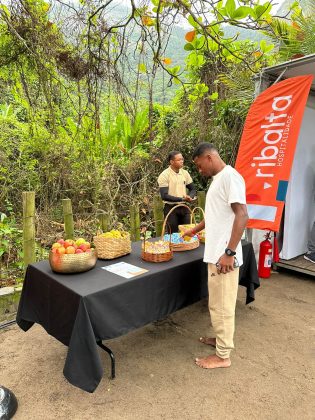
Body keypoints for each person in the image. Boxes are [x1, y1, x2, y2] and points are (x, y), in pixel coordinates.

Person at [182, 142, 248, 369]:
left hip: (224, 257)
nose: (199, 171)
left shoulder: (231, 177)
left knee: (223, 306)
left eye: (200, 166)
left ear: (209, 157)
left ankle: (223, 356)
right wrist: (194, 230)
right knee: (217, 303)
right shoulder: (218, 180)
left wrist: (229, 253)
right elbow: (215, 215)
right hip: (216, 254)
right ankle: (220, 341)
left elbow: (242, 215)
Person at [157, 151, 196, 233]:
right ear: (171, 162)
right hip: (171, 208)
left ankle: (188, 246)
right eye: (179, 160)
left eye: (182, 159)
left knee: (188, 233)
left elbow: (193, 189)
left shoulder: (184, 173)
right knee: (173, 235)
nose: (182, 161)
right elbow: (164, 196)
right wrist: (182, 199)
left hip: (184, 207)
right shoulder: (164, 175)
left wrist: (190, 197)